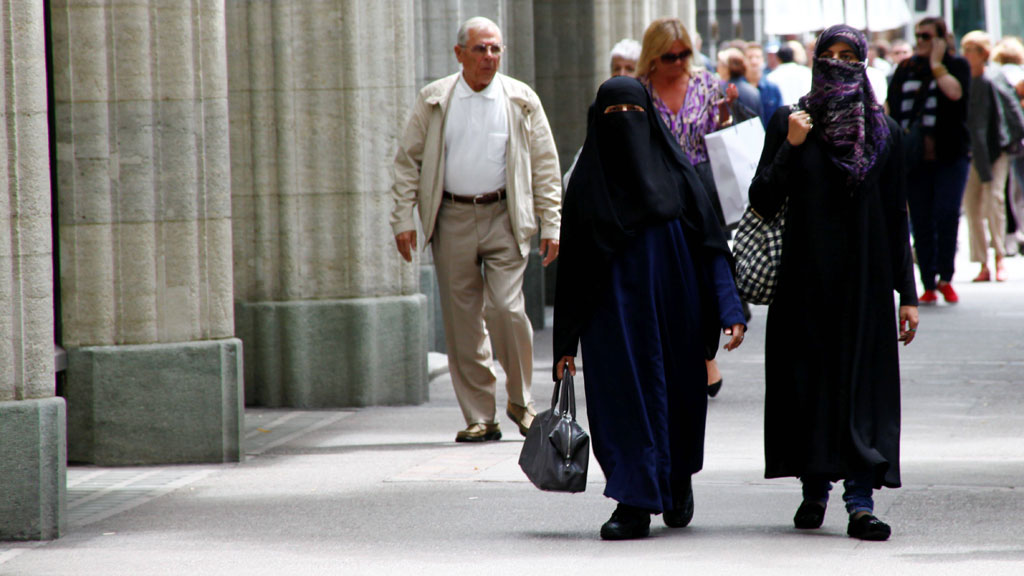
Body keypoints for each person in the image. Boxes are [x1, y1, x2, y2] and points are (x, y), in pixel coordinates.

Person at [553, 76, 746, 541]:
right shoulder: (585, 188)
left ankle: (676, 479)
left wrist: (728, 307)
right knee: (619, 403)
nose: (624, 125)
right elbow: (572, 271)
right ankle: (633, 499)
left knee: (677, 400)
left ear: (649, 118)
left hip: (673, 314)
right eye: (613, 115)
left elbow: (710, 247)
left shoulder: (680, 176)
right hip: (610, 323)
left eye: (633, 114)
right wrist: (565, 344)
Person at [748, 24, 920, 542]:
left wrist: (907, 295)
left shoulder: (884, 132)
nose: (840, 62)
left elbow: (895, 218)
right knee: (810, 386)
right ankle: (814, 484)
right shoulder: (790, 121)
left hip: (865, 286)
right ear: (816, 59)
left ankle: (860, 500)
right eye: (831, 54)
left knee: (863, 389)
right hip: (803, 283)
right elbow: (761, 199)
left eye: (851, 55)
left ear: (864, 62)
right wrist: (791, 147)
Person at [390, 16, 562, 442]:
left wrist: (551, 223)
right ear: (459, 54)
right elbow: (407, 161)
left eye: (496, 49)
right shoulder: (434, 99)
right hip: (451, 217)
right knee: (462, 321)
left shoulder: (522, 100)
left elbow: (545, 165)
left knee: (507, 310)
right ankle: (480, 417)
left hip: (505, 216)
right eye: (481, 49)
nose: (490, 57)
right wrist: (403, 219)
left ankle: (522, 403)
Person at [635, 17, 740, 398]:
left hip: (701, 192)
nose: (678, 62)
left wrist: (727, 114)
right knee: (669, 276)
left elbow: (718, 137)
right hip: (658, 195)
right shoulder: (639, 91)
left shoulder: (706, 84)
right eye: (669, 56)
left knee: (702, 274)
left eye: (684, 55)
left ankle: (706, 357)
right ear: (652, 56)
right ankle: (682, 354)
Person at [888, 17, 970, 304]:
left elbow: (955, 93)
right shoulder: (905, 68)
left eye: (927, 36)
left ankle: (946, 276)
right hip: (914, 158)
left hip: (951, 155)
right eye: (918, 36)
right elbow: (893, 111)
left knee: (946, 214)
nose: (921, 41)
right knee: (920, 219)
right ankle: (929, 282)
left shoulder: (956, 65)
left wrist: (937, 64)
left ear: (940, 38)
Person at [961, 31, 1024, 282]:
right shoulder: (965, 79)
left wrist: (1009, 142)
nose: (966, 56)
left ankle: (999, 257)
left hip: (996, 150)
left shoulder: (994, 78)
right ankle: (982, 262)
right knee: (972, 206)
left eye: (971, 51)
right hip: (972, 151)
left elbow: (1011, 112)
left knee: (994, 201)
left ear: (983, 53)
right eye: (964, 50)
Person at [563, 38, 641, 191]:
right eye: (616, 68)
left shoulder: (650, 106)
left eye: (629, 69)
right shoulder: (598, 107)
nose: (621, 74)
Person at [992, 37, 1024, 257]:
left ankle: (1013, 236)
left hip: (1011, 140)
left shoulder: (997, 77)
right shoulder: (1018, 76)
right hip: (1017, 137)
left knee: (1011, 190)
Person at [745, 42, 784, 127]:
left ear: (762, 59)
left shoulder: (772, 88)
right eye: (750, 57)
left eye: (757, 57)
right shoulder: (739, 89)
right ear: (744, 60)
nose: (754, 61)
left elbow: (780, 118)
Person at [717, 47, 762, 119]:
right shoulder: (753, 91)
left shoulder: (720, 91)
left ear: (726, 68)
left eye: (720, 65)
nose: (718, 69)